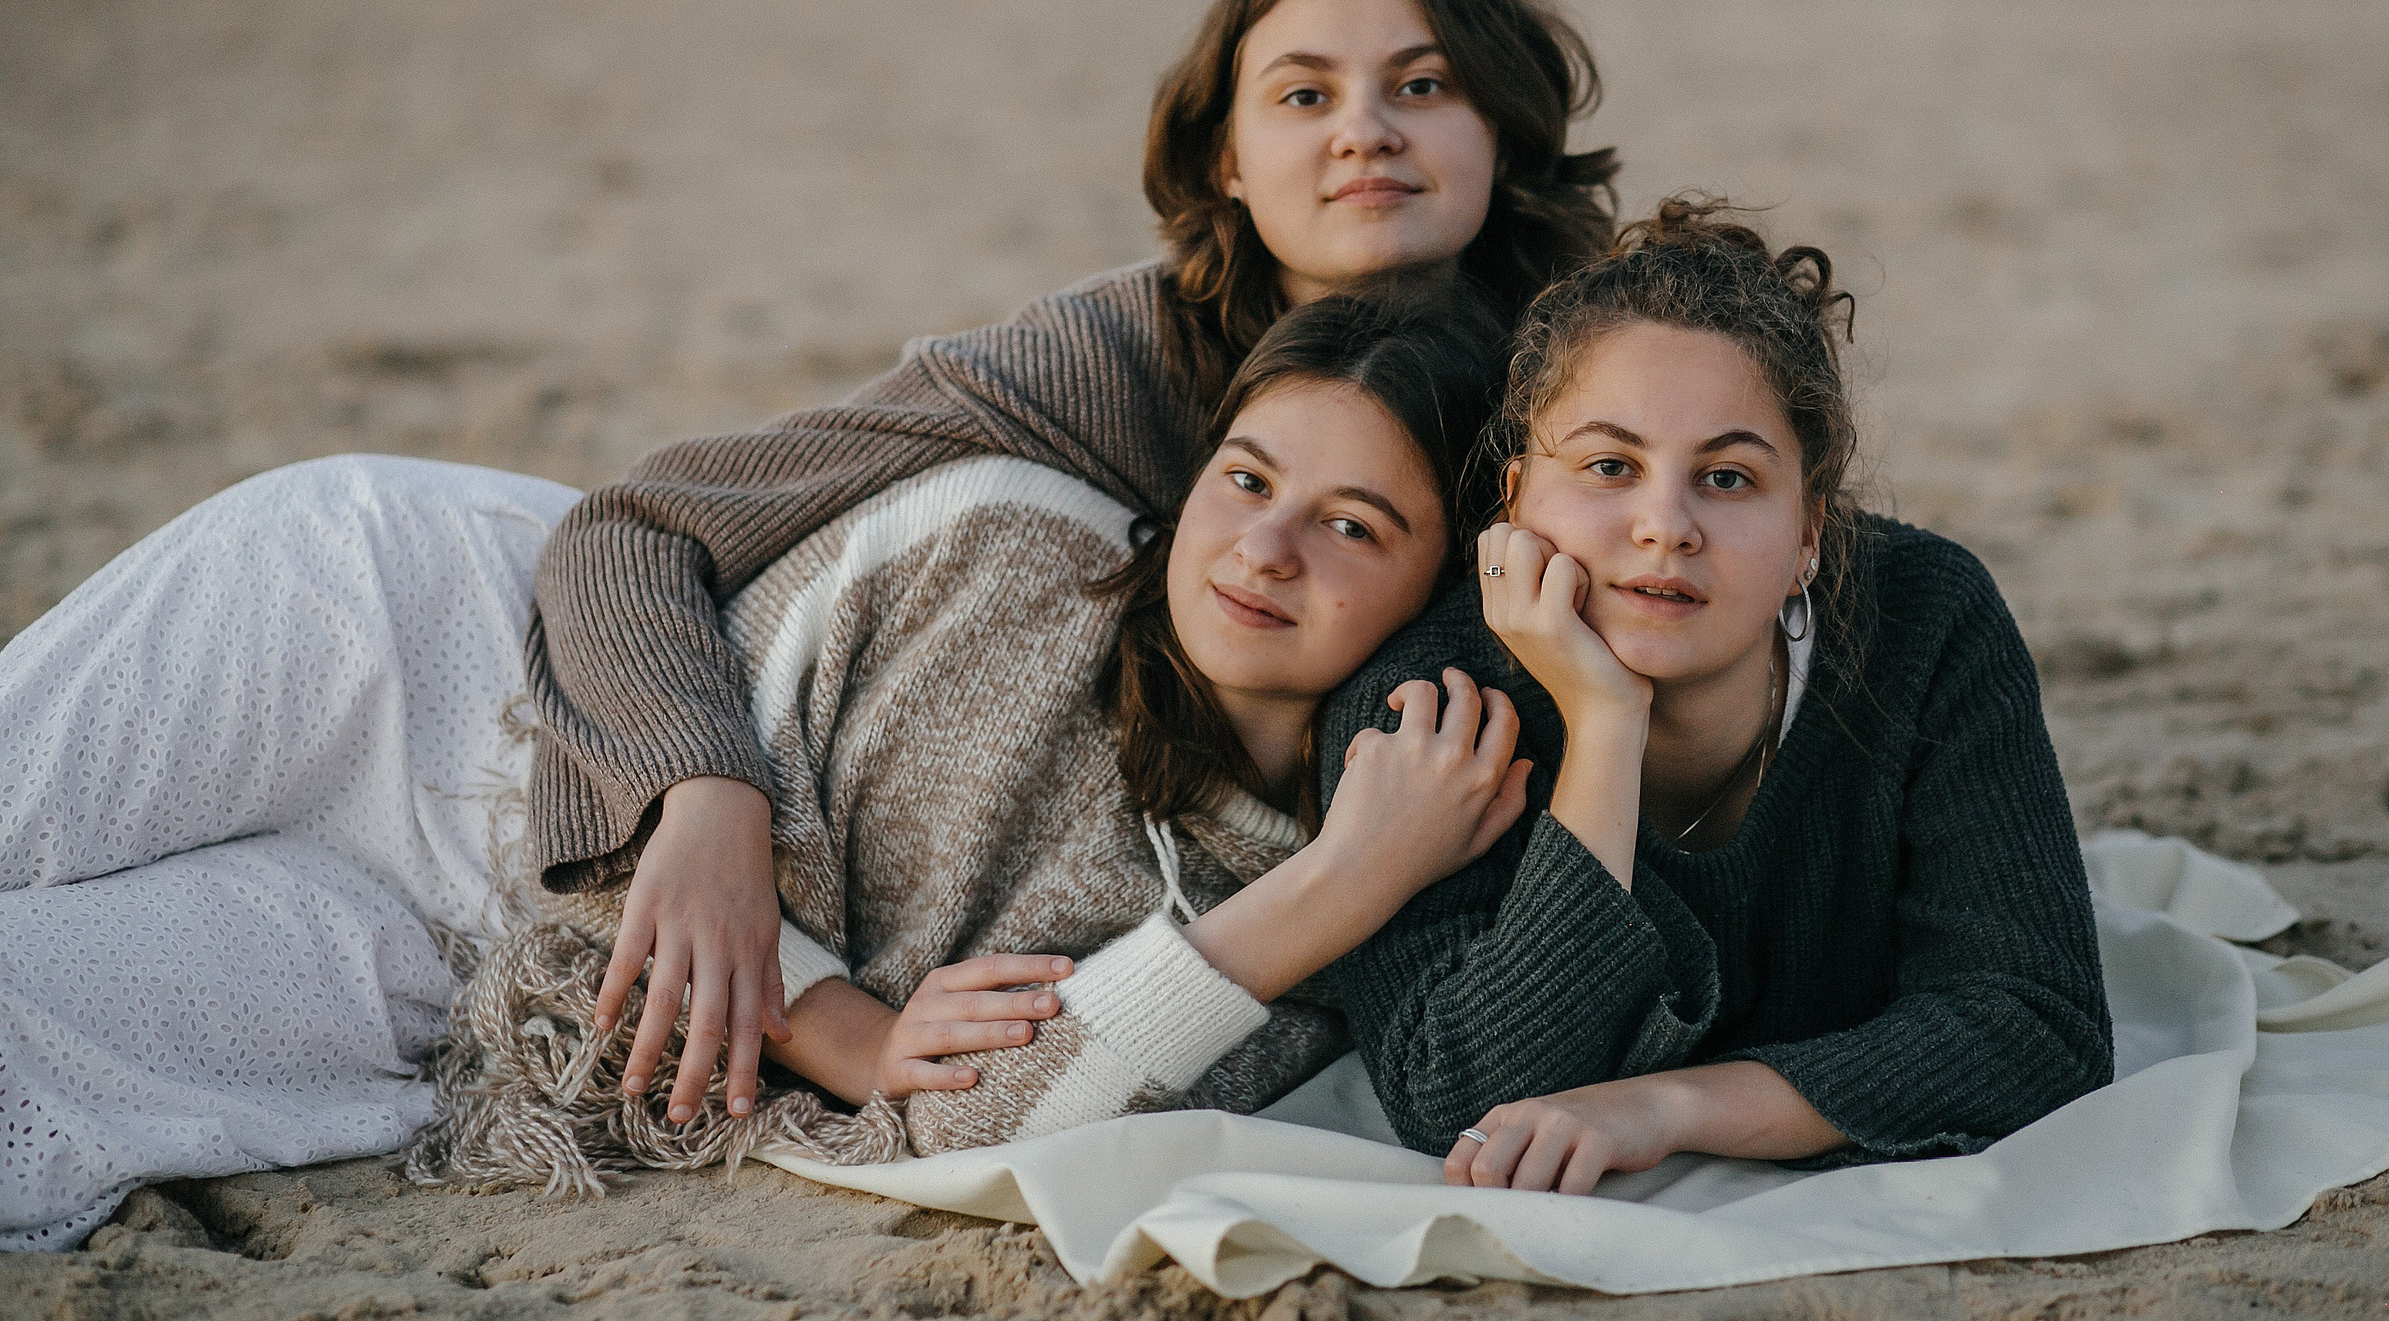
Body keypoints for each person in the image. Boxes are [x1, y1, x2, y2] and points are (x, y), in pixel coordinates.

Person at [0, 292, 1527, 1242]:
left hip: (482, 977)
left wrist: (1343, 878)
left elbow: (986, 1121)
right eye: (1248, 478)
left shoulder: (1307, 903)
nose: (1264, 545)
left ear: (1433, 594)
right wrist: (847, 1030)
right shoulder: (1014, 551)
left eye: (1354, 523)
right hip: (419, 652)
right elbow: (682, 813)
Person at [522, 0, 1618, 1131]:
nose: (1364, 132)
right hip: (701, 687)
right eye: (1304, 96)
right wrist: (706, 795)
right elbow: (634, 528)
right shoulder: (1104, 362)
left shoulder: (1588, 390)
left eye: (1421, 86)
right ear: (1228, 161)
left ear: (1503, 129)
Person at [1312, 195, 2115, 1196]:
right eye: (1609, 466)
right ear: (1516, 498)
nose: (1665, 526)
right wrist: (1605, 723)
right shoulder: (1429, 707)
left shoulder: (1923, 618)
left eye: (1727, 479)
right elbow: (1461, 1096)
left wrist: (1669, 1106)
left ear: (1809, 533)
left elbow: (2037, 1027)